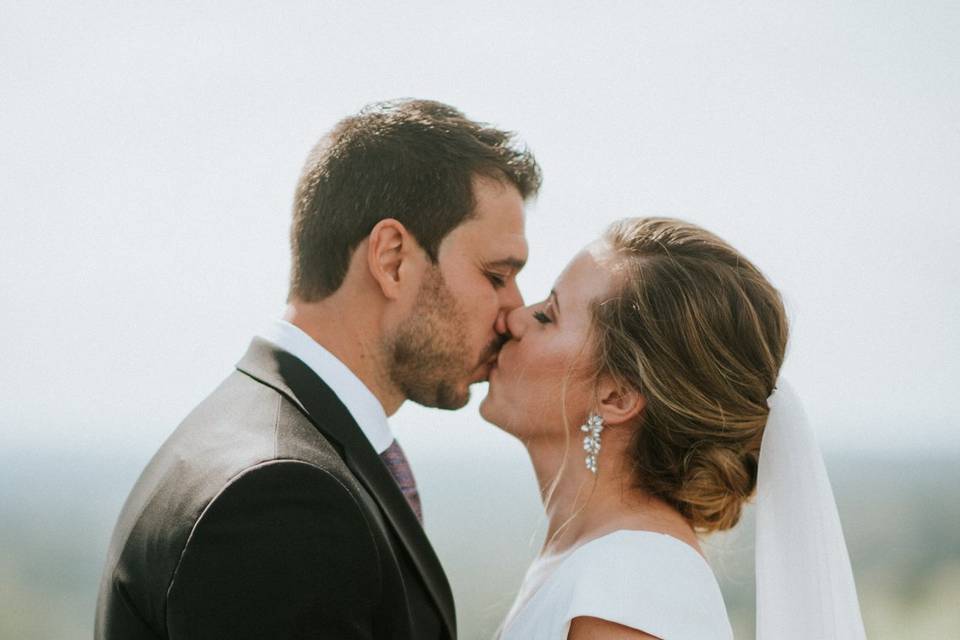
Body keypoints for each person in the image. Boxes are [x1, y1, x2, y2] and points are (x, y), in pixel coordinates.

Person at [94, 99, 541, 640]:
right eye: (496, 275)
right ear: (392, 258)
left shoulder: (258, 438)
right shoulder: (281, 498)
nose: (515, 312)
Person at [482, 217, 865, 639]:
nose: (515, 319)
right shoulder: (597, 564)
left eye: (548, 316)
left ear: (617, 395)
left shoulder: (629, 586)